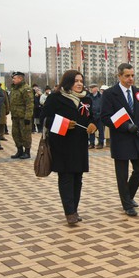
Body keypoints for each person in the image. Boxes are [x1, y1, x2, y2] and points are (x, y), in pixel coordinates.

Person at [41, 70, 95, 225]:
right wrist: (63, 124)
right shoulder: (56, 98)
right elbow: (45, 119)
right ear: (68, 82)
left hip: (80, 144)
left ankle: (74, 209)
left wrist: (93, 125)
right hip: (62, 144)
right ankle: (69, 212)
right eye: (75, 81)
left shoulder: (87, 99)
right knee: (66, 177)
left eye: (81, 81)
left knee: (78, 178)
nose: (79, 84)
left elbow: (91, 117)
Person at [101, 63, 139, 217]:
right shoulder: (110, 94)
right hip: (121, 139)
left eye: (132, 75)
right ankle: (127, 205)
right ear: (119, 76)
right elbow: (105, 117)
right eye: (127, 76)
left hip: (137, 139)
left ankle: (128, 196)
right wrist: (126, 126)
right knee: (122, 174)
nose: (130, 79)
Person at [9, 71, 34, 159]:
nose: (13, 80)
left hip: (23, 116)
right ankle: (19, 151)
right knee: (15, 134)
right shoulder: (14, 88)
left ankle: (27, 152)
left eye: (14, 78)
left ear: (20, 78)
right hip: (15, 115)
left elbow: (29, 104)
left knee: (25, 134)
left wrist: (28, 117)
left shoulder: (26, 89)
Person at [87, 84, 105, 149]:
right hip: (91, 116)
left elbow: (103, 107)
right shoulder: (88, 97)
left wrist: (99, 114)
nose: (91, 89)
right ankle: (92, 143)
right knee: (92, 130)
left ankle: (101, 143)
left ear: (97, 88)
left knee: (101, 130)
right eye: (90, 88)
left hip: (100, 116)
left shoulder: (101, 97)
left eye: (92, 88)